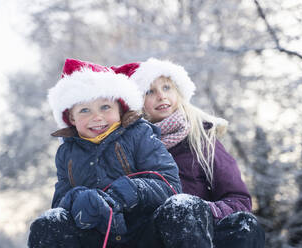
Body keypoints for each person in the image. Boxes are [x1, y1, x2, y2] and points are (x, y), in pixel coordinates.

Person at [27, 58, 182, 248]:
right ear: (72, 118)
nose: (96, 117)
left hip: (143, 230)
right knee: (50, 223)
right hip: (96, 236)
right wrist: (77, 199)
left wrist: (130, 191)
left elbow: (170, 185)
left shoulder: (139, 134)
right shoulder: (66, 152)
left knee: (182, 208)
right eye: (84, 110)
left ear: (120, 109)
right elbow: (60, 200)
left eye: (105, 107)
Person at [112, 58, 266, 248]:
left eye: (167, 87)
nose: (161, 96)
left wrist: (202, 212)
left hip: (201, 232)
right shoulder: (127, 147)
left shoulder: (202, 140)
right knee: (180, 208)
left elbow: (239, 200)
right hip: (150, 235)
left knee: (245, 225)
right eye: (150, 91)